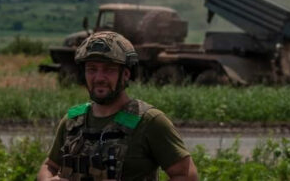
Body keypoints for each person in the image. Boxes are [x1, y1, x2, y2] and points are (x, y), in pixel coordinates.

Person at [37, 31, 198, 181]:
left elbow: (186, 175)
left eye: (109, 69)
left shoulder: (150, 121)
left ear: (126, 75)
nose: (99, 77)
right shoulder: (73, 120)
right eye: (92, 69)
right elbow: (49, 165)